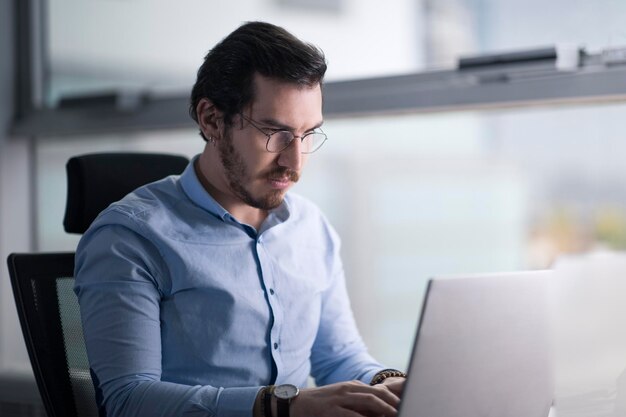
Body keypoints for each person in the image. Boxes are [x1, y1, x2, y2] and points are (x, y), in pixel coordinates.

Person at [74, 21, 406, 417]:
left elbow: (339, 358)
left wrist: (389, 385)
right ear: (212, 120)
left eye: (307, 134)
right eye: (274, 132)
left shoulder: (311, 228)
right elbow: (129, 401)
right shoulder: (129, 238)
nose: (294, 162)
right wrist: (282, 407)